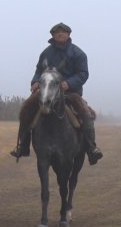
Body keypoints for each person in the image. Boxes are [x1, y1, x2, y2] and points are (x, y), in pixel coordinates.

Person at [10, 22, 103, 165]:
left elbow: (83, 74)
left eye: (63, 32)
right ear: (53, 35)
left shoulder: (78, 53)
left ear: (68, 35)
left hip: (71, 93)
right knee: (26, 108)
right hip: (47, 90)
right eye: (57, 32)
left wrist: (69, 83)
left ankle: (91, 148)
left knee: (85, 113)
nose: (60, 34)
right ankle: (23, 145)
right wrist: (35, 81)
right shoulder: (46, 53)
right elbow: (38, 71)